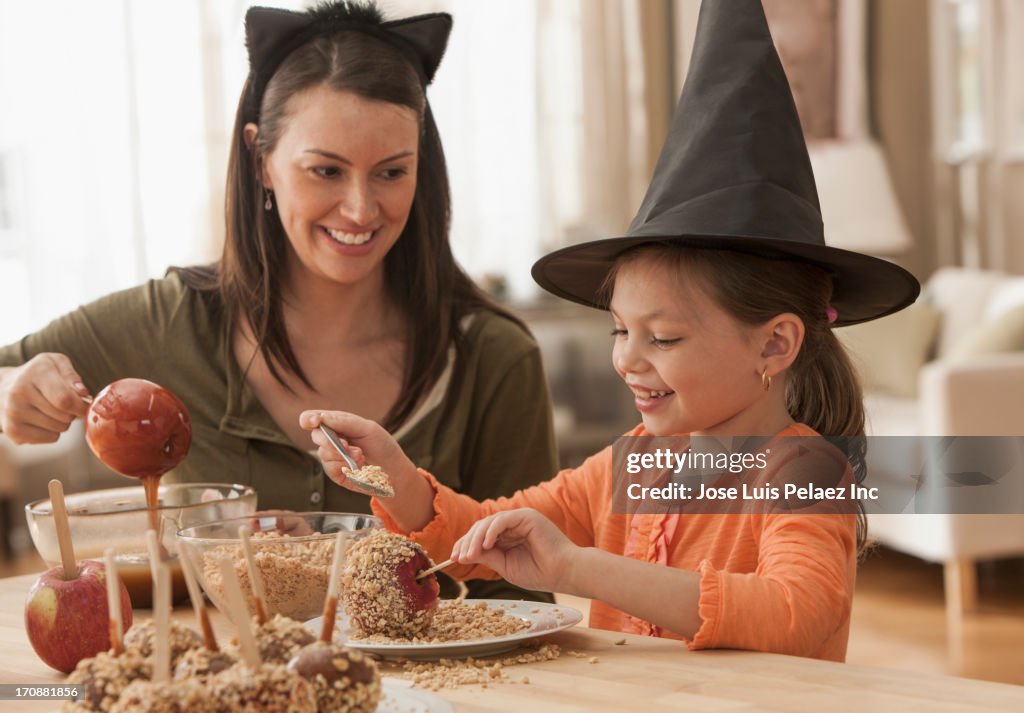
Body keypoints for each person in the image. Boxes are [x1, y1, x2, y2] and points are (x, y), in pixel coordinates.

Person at [299, 0, 921, 661]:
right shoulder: (628, 465)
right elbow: (486, 533)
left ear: (774, 343)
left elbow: (796, 612)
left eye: (664, 337)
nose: (628, 360)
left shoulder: (805, 471)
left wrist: (576, 568)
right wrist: (396, 475)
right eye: (621, 331)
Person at [0, 1, 557, 602]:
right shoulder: (169, 322)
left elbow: (523, 602)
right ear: (262, 159)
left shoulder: (493, 359)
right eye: (325, 171)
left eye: (391, 173)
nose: (361, 209)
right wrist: (13, 390)